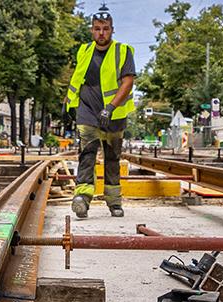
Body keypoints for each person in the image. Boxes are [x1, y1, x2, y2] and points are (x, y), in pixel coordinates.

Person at [64, 10, 136, 218]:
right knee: (87, 154)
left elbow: (128, 82)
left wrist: (111, 107)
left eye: (105, 29)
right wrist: (68, 103)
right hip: (87, 112)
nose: (101, 33)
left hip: (114, 115)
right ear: (92, 30)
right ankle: (82, 199)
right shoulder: (84, 50)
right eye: (97, 29)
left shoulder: (123, 51)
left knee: (112, 158)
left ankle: (114, 202)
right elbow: (78, 78)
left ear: (112, 30)